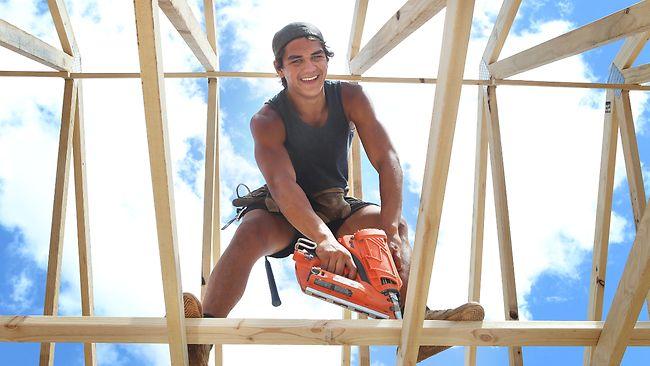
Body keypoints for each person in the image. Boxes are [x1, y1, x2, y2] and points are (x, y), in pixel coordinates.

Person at [183, 22, 484, 365]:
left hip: (335, 204)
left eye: (316, 56)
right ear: (279, 69)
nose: (309, 68)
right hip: (284, 209)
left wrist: (391, 230)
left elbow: (387, 159)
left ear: (327, 58)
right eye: (296, 61)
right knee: (250, 230)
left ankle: (419, 322)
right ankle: (200, 339)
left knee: (389, 226)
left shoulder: (349, 97)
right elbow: (284, 186)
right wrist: (322, 239)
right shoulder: (267, 119)